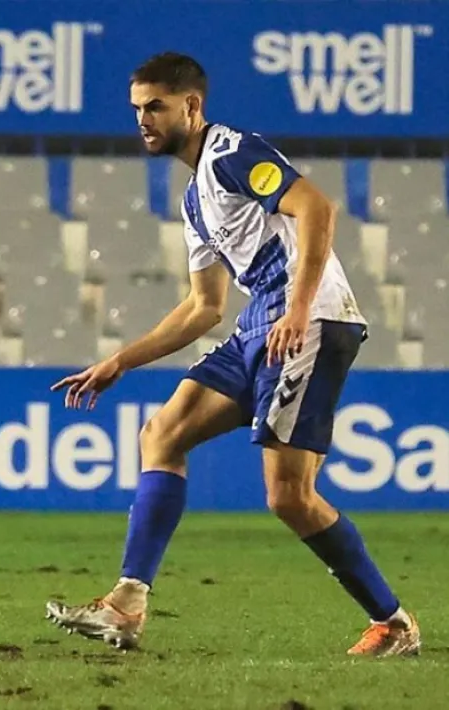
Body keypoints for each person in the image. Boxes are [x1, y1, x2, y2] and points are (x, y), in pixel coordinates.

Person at [45, 52, 420, 657]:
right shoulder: (196, 199)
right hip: (256, 326)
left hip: (310, 320)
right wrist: (120, 360)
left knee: (288, 496)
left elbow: (318, 208)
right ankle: (127, 603)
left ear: (191, 107)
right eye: (137, 109)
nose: (143, 119)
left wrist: (298, 309)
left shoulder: (231, 153)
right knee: (162, 433)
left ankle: (395, 624)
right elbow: (202, 308)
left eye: (156, 107)